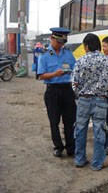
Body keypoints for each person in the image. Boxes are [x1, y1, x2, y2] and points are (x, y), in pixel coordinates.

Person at [72, 33, 108, 171]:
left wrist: (81, 92)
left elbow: (74, 83)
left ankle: (80, 160)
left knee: (80, 129)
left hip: (83, 100)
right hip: (101, 101)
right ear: (98, 46)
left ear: (86, 46)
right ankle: (98, 163)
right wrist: (102, 84)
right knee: (99, 131)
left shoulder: (80, 60)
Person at [37, 27, 76, 158]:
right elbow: (41, 75)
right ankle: (58, 147)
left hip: (67, 89)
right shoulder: (44, 56)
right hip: (52, 91)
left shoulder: (69, 54)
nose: (61, 44)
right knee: (54, 121)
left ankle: (71, 147)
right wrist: (54, 74)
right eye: (59, 41)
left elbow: (75, 69)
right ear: (52, 38)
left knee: (70, 120)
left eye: (63, 42)